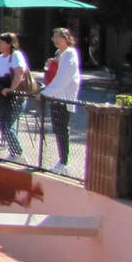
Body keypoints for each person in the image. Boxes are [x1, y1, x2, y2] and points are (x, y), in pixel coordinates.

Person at [41, 26, 82, 174]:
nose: (55, 40)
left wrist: (46, 93)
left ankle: (64, 162)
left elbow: (64, 77)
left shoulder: (70, 53)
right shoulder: (59, 53)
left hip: (63, 98)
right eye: (54, 37)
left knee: (62, 129)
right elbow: (52, 75)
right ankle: (62, 160)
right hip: (55, 96)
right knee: (58, 129)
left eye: (57, 36)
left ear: (65, 38)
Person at [0, 32, 29, 158]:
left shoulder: (16, 56)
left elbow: (19, 73)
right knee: (3, 124)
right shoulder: (0, 58)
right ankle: (13, 151)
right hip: (0, 95)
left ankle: (18, 153)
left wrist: (11, 89)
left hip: (14, 97)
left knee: (8, 125)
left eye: (1, 42)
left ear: (9, 44)